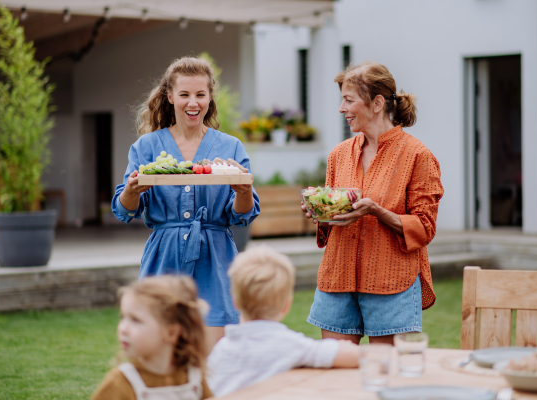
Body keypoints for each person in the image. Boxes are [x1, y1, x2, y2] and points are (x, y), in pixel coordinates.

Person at [111, 57, 260, 349]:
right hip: (164, 260)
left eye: (200, 94)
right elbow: (124, 209)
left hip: (215, 260)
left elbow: (243, 215)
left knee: (214, 361)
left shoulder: (230, 148)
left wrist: (243, 191)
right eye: (185, 94)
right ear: (170, 96)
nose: (193, 103)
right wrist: (132, 189)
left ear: (209, 97)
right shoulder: (147, 147)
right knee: (161, 357)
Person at [301, 62, 444, 345]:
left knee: (385, 377)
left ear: (377, 103)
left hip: (391, 282)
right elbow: (332, 219)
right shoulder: (338, 155)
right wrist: (320, 211)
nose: (342, 108)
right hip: (337, 279)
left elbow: (425, 227)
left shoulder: (418, 155)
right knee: (338, 378)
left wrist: (377, 211)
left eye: (348, 99)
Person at [207, 246, 359, 397]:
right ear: (286, 305)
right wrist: (338, 346)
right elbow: (354, 356)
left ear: (235, 303)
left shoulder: (219, 351)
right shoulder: (291, 345)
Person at [91, 275, 213, 400]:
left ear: (171, 333)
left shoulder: (193, 378)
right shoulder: (121, 383)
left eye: (135, 320)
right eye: (123, 317)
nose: (123, 328)